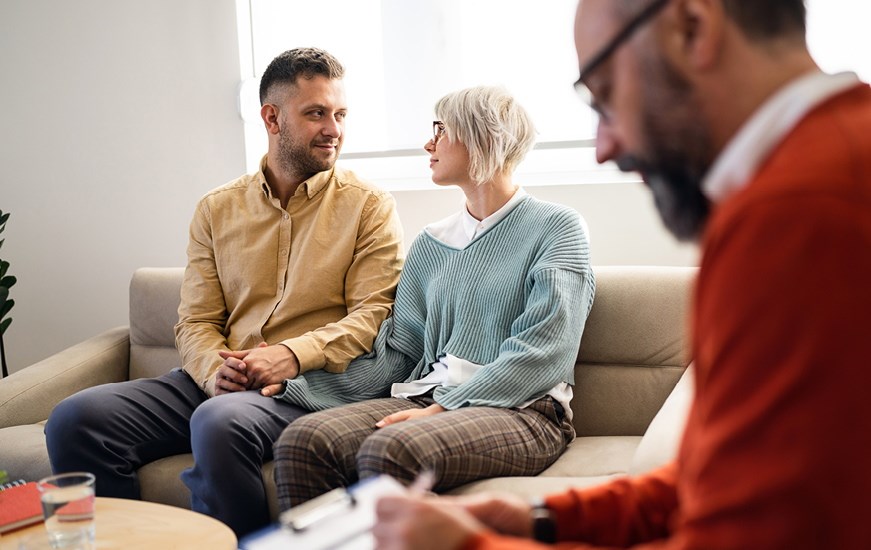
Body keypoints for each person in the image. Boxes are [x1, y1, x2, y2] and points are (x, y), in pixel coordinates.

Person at [371, 1, 871, 548]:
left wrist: (468, 546)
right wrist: (546, 520)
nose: (605, 146)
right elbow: (723, 478)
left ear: (693, 28)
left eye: (604, 94)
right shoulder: (815, 174)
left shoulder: (802, 214)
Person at [44, 47, 404, 537]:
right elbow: (194, 321)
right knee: (76, 418)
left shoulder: (369, 207)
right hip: (218, 380)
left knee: (219, 422)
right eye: (316, 113)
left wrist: (290, 356)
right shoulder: (217, 209)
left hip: (304, 386)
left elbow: (374, 316)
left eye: (340, 114)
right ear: (271, 118)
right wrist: (216, 373)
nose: (334, 129)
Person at [272, 85, 595, 509]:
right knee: (303, 442)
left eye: (441, 130)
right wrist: (295, 385)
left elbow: (544, 350)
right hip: (427, 396)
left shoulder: (557, 229)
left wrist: (443, 408)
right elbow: (400, 354)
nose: (429, 143)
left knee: (393, 448)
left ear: (483, 136)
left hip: (524, 411)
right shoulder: (431, 243)